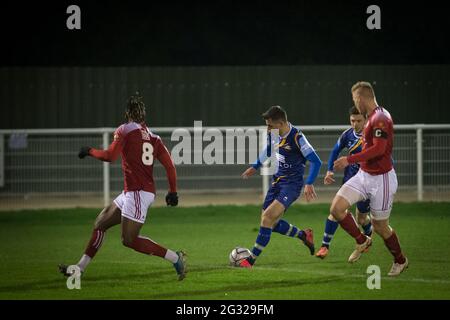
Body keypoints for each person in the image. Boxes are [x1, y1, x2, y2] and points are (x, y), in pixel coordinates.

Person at [58, 93, 187, 280]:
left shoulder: (125, 129)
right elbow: (170, 166)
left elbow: (110, 156)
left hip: (137, 192)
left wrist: (89, 151)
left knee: (129, 240)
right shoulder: (154, 137)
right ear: (144, 115)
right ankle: (79, 268)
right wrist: (173, 191)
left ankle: (175, 257)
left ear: (127, 113)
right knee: (100, 223)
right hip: (136, 192)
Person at [332, 81, 408, 276]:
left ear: (361, 98)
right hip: (364, 175)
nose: (354, 103)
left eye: (354, 99)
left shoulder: (380, 118)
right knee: (337, 208)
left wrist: (349, 159)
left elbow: (379, 149)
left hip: (381, 179)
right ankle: (362, 240)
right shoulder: (372, 116)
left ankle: (400, 260)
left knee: (380, 227)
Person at [239, 106, 322, 268]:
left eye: (270, 125)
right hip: (277, 182)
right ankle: (303, 235)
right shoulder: (274, 134)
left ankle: (250, 260)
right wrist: (254, 167)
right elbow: (269, 149)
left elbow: (316, 161)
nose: (267, 128)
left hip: (291, 185)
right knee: (271, 222)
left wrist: (309, 182)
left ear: (281, 123)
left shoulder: (297, 137)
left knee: (267, 218)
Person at [316, 106, 372, 259]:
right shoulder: (347, 135)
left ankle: (368, 237)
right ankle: (324, 246)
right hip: (350, 179)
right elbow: (335, 150)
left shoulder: (373, 136)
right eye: (352, 120)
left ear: (366, 119)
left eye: (359, 120)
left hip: (367, 181)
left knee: (361, 218)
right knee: (336, 210)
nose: (355, 124)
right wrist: (329, 170)